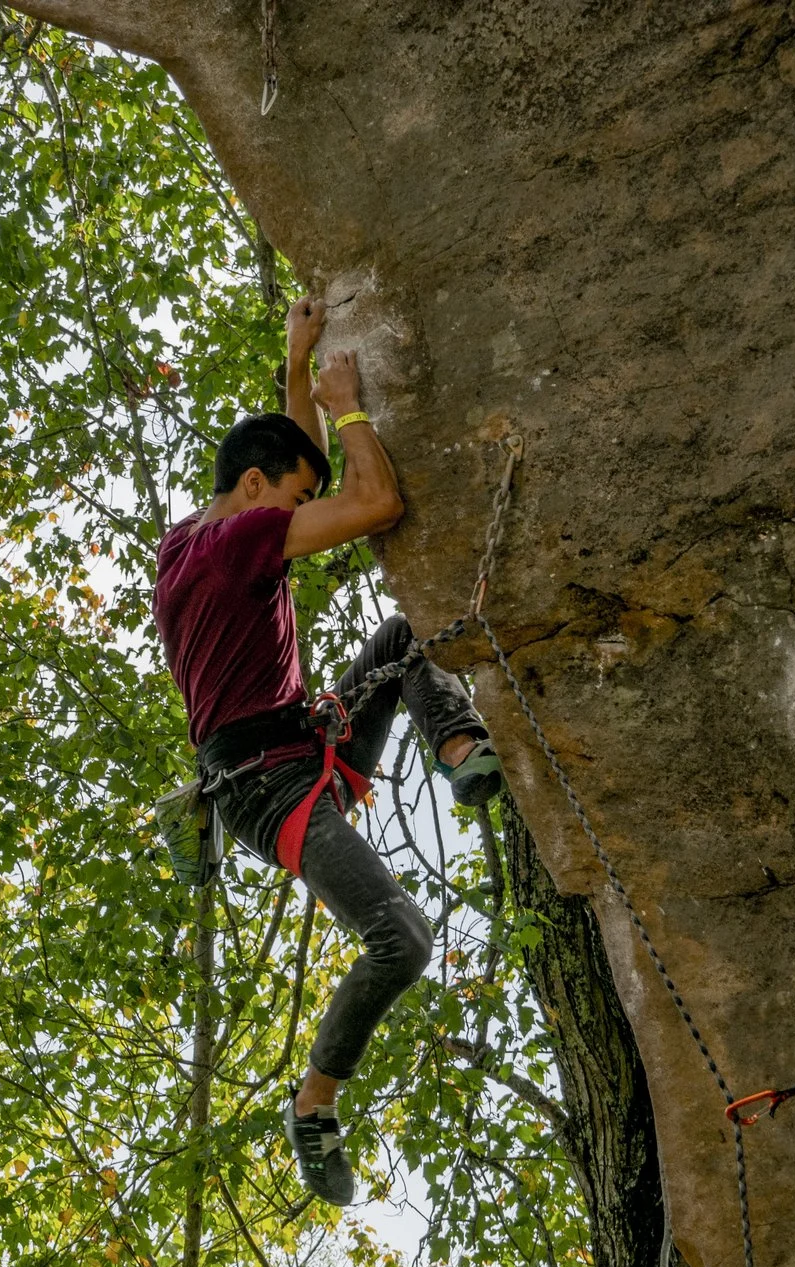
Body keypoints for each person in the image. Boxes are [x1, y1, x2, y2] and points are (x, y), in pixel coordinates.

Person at [152, 295, 504, 1207]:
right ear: (258, 491)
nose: (308, 513)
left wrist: (295, 359)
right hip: (268, 786)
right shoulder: (240, 544)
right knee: (403, 938)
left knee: (397, 642)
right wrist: (347, 403)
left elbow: (289, 465)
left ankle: (460, 742)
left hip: (284, 749)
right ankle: (312, 1105)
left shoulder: (187, 543)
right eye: (296, 501)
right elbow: (373, 499)